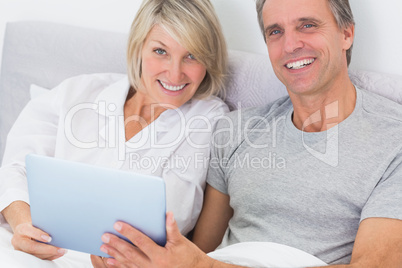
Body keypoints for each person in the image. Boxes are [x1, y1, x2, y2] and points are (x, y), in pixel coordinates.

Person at [91, 0, 402, 267]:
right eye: (275, 32)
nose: (291, 45)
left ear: (346, 33)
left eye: (307, 25)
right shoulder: (236, 130)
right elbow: (201, 252)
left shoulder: (392, 142)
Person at [0, 0, 229, 261]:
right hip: (32, 250)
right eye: (160, 51)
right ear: (139, 47)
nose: (175, 74)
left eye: (192, 56)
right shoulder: (78, 93)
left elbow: (175, 214)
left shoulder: (209, 119)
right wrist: (23, 226)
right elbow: (15, 167)